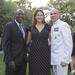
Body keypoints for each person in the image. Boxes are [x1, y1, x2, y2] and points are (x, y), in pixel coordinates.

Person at [2, 9, 28, 75]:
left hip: (22, 61)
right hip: (13, 61)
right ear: (15, 15)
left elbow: (24, 43)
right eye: (18, 14)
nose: (20, 16)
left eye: (22, 14)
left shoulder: (25, 28)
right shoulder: (9, 26)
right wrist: (9, 60)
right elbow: (5, 44)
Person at [26, 9, 51, 75]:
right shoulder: (31, 27)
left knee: (45, 70)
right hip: (34, 52)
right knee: (34, 70)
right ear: (35, 16)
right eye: (38, 15)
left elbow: (52, 40)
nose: (39, 17)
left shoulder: (48, 27)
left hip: (45, 52)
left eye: (41, 15)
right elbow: (28, 41)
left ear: (43, 16)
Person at [50, 8, 73, 75]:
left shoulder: (63, 25)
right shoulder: (53, 26)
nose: (53, 15)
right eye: (51, 14)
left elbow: (68, 43)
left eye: (55, 13)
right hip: (54, 58)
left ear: (59, 15)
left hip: (61, 59)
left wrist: (66, 59)